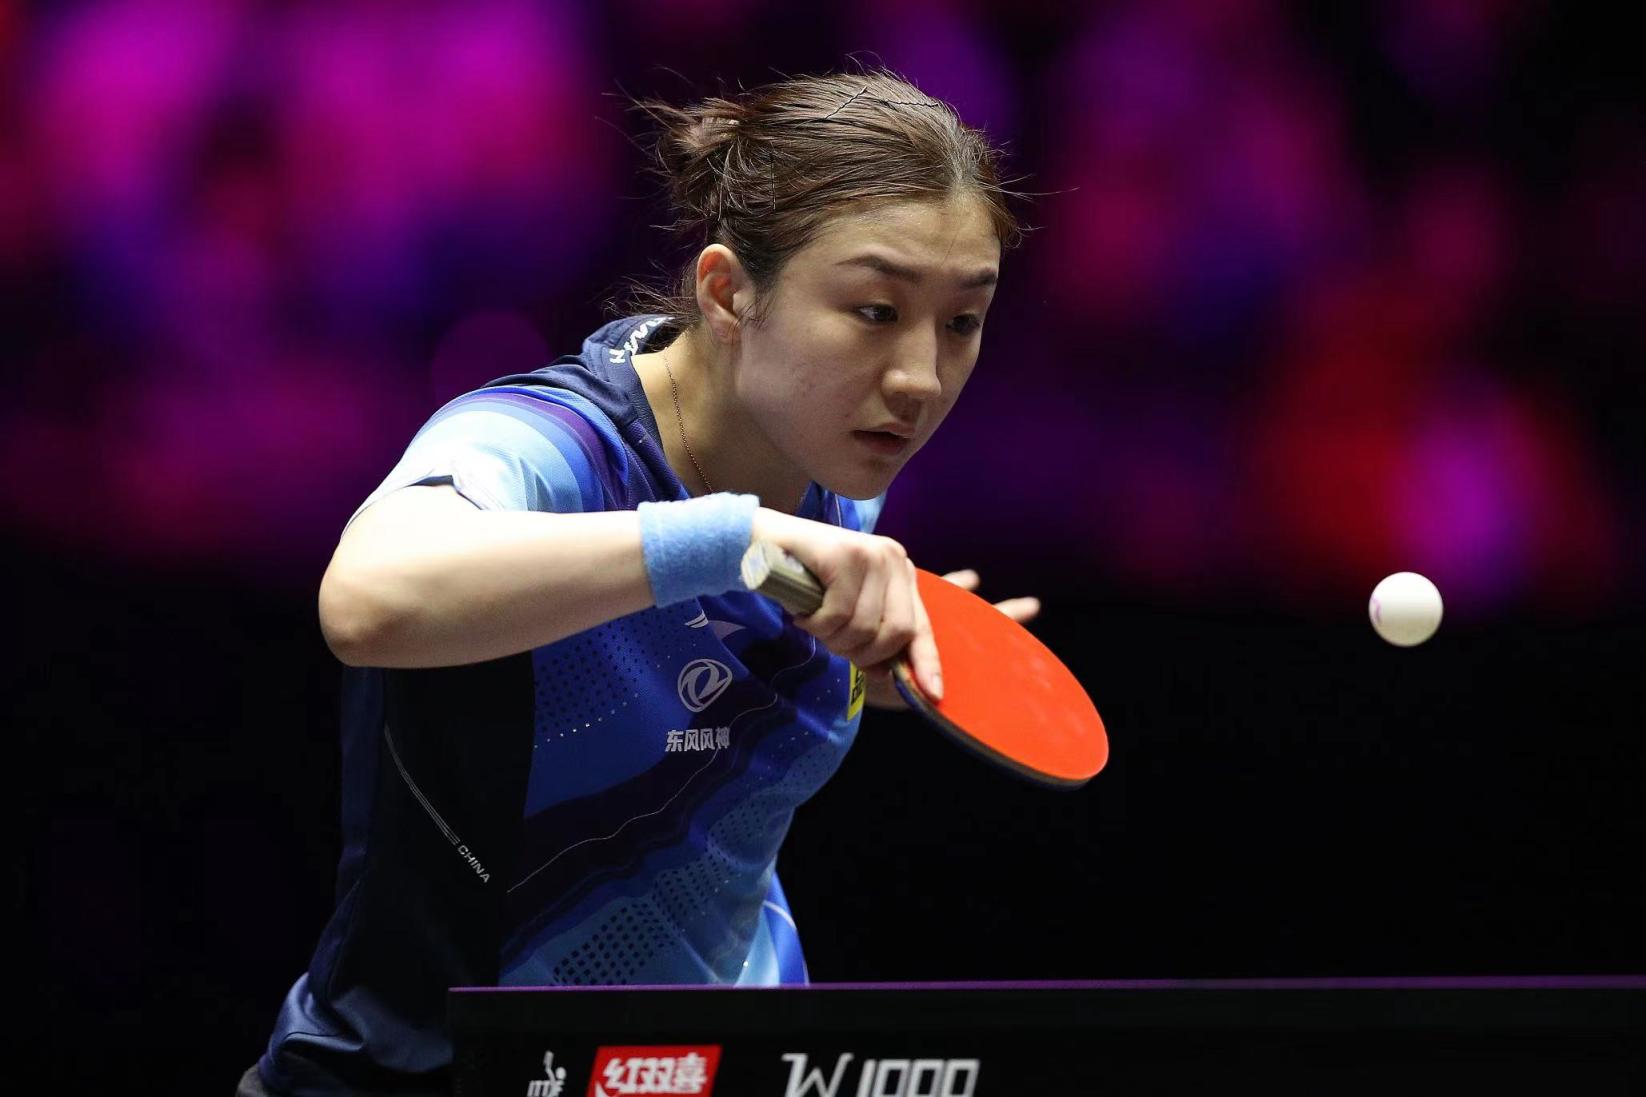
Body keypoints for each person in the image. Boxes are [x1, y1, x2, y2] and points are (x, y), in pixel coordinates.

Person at [241, 65, 1037, 1096]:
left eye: (962, 321)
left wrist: (867, 664)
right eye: (875, 310)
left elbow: (711, 678)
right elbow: (366, 601)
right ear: (727, 292)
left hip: (711, 1068)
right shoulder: (539, 444)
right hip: (429, 1072)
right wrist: (730, 539)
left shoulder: (837, 466)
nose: (919, 377)